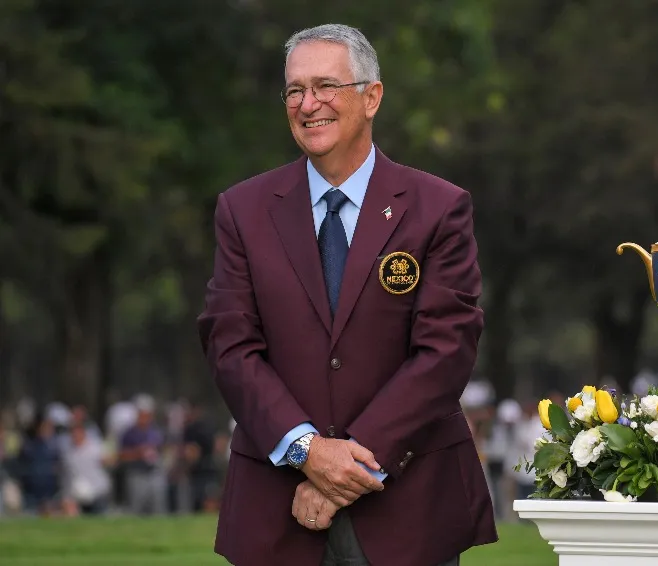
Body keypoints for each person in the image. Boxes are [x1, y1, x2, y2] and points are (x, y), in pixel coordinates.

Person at [197, 23, 496, 566]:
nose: (308, 104)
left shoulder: (439, 208)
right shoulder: (242, 210)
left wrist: (343, 472)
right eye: (294, 90)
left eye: (325, 86)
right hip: (277, 510)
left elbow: (445, 352)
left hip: (409, 511)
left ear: (372, 96)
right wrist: (308, 451)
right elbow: (230, 345)